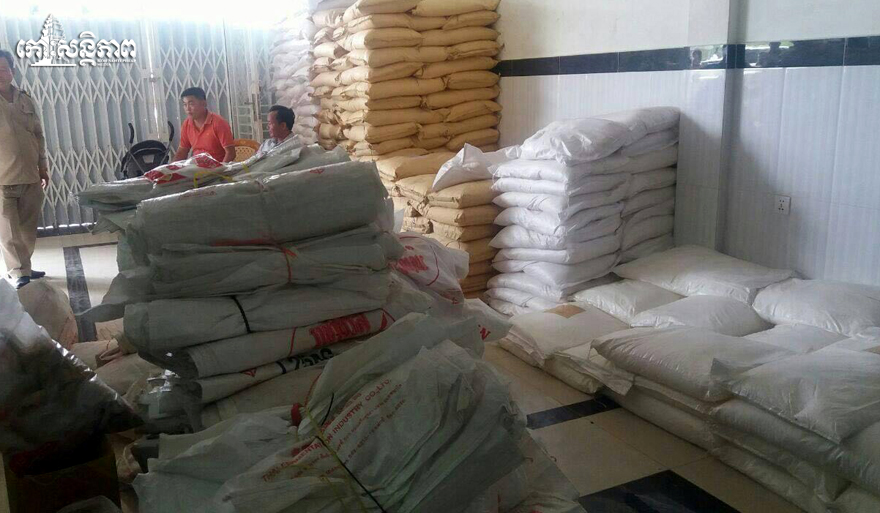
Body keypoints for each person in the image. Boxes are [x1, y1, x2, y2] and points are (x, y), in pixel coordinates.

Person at [0, 50, 49, 289]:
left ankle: (25, 266)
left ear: (12, 71)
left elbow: (38, 135)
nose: (0, 74)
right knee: (8, 232)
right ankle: (18, 271)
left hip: (30, 176)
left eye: (4, 69)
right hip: (3, 179)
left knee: (27, 230)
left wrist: (43, 167)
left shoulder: (25, 99)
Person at [172, 87, 235, 163]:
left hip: (218, 167)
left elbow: (230, 153)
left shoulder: (219, 123)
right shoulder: (187, 124)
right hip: (197, 167)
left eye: (191, 104)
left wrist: (220, 169)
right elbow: (182, 151)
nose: (187, 109)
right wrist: (171, 167)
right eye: (185, 104)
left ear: (204, 103)